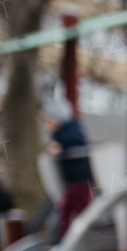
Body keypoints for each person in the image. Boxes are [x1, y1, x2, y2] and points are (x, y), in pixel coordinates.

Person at [44, 101, 95, 237]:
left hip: (80, 179)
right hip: (73, 180)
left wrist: (61, 146)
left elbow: (75, 140)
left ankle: (76, 236)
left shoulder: (70, 130)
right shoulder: (62, 132)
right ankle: (69, 235)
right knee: (69, 208)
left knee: (77, 208)